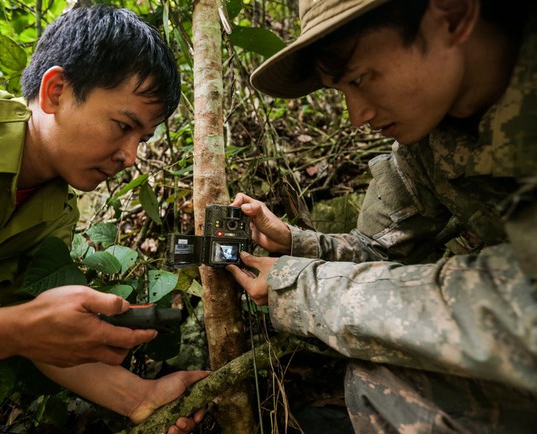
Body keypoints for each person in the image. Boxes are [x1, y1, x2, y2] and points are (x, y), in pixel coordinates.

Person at [227, 0, 537, 432]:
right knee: (382, 380)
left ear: (452, 15)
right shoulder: (427, 139)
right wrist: (294, 243)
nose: (357, 117)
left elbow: (521, 298)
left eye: (360, 79)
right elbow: (381, 247)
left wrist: (297, 286)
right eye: (341, 91)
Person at [0, 5, 207, 432]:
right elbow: (28, 327)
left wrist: (140, 397)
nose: (130, 157)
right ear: (56, 90)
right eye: (122, 125)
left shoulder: (52, 215)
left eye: (143, 139)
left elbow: (47, 337)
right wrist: (15, 329)